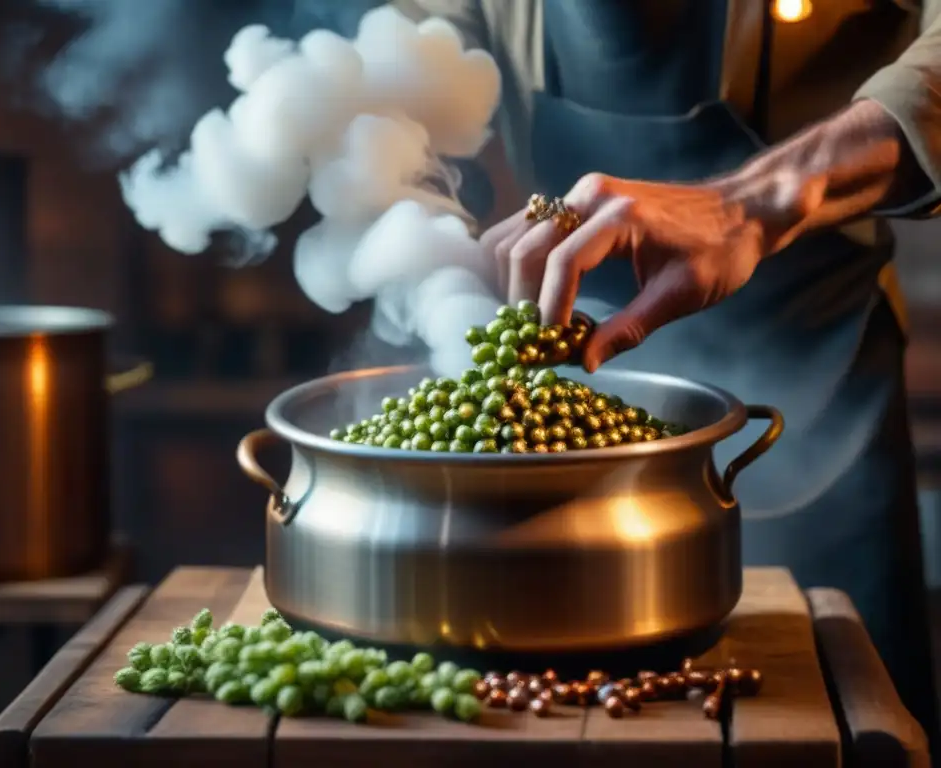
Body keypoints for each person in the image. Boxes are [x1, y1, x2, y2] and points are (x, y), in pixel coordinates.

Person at [396, 0, 941, 745]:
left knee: (860, 733)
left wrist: (756, 201)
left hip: (825, 396)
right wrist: (410, 212)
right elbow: (397, 63)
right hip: (561, 453)